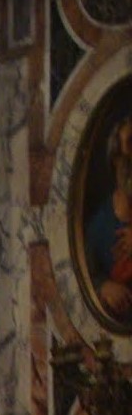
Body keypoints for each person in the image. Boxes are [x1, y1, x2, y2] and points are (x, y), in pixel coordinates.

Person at [85, 113, 132, 328]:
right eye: (130, 144)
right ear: (115, 160)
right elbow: (86, 277)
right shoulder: (98, 227)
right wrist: (102, 287)